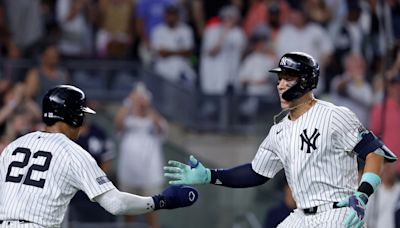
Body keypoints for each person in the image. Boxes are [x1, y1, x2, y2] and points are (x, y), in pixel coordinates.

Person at [164, 52, 397, 227]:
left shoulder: (334, 115)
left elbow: (374, 152)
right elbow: (256, 173)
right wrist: (209, 176)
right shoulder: (279, 130)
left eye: (288, 78)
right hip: (300, 216)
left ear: (306, 81)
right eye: (279, 79)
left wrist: (362, 196)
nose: (281, 84)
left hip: (337, 213)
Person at [0, 85, 198, 228]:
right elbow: (116, 203)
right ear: (75, 117)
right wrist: (162, 200)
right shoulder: (72, 152)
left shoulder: (13, 147)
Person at [114, 83, 168, 227]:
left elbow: (160, 127)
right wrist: (130, 102)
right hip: (129, 174)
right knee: (128, 212)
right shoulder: (128, 120)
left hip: (150, 176)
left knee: (151, 212)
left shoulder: (154, 119)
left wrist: (146, 106)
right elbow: (118, 122)